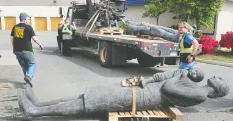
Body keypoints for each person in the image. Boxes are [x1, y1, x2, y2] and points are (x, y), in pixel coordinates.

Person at [17, 68, 229, 119]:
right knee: (88, 96)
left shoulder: (200, 95)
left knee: (88, 103)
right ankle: (40, 104)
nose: (216, 76)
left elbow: (168, 88)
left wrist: (176, 76)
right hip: (140, 90)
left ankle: (35, 112)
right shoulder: (194, 83)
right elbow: (163, 79)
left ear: (218, 90)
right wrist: (180, 74)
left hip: (144, 98)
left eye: (220, 80)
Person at [11, 12, 43, 87]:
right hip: (26, 50)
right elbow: (34, 38)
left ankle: (27, 81)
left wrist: (14, 49)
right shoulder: (28, 27)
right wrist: (40, 44)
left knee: (24, 66)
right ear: (24, 19)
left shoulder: (15, 27)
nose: (29, 21)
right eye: (28, 19)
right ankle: (28, 77)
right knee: (32, 63)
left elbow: (12, 39)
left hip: (17, 50)